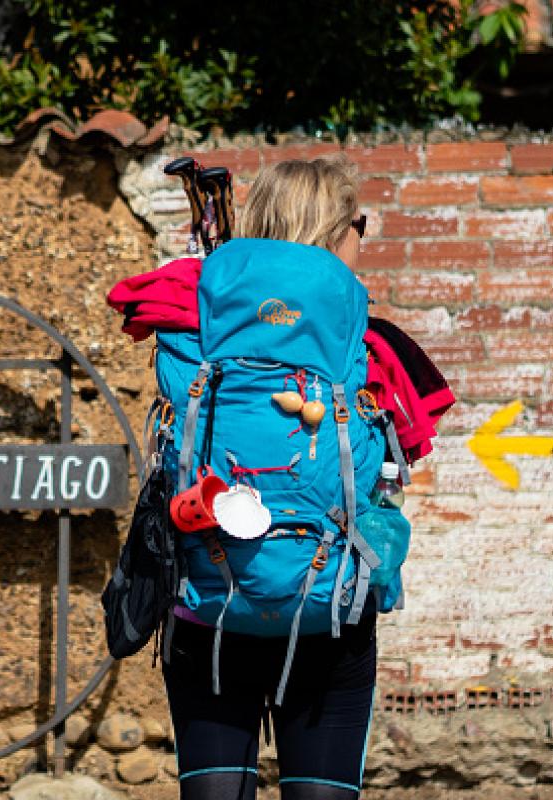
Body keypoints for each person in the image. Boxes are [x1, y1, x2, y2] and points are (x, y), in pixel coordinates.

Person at [162, 155, 375, 800]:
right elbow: (377, 472)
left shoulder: (195, 311)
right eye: (360, 224)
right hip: (327, 608)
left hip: (208, 604)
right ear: (337, 230)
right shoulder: (360, 339)